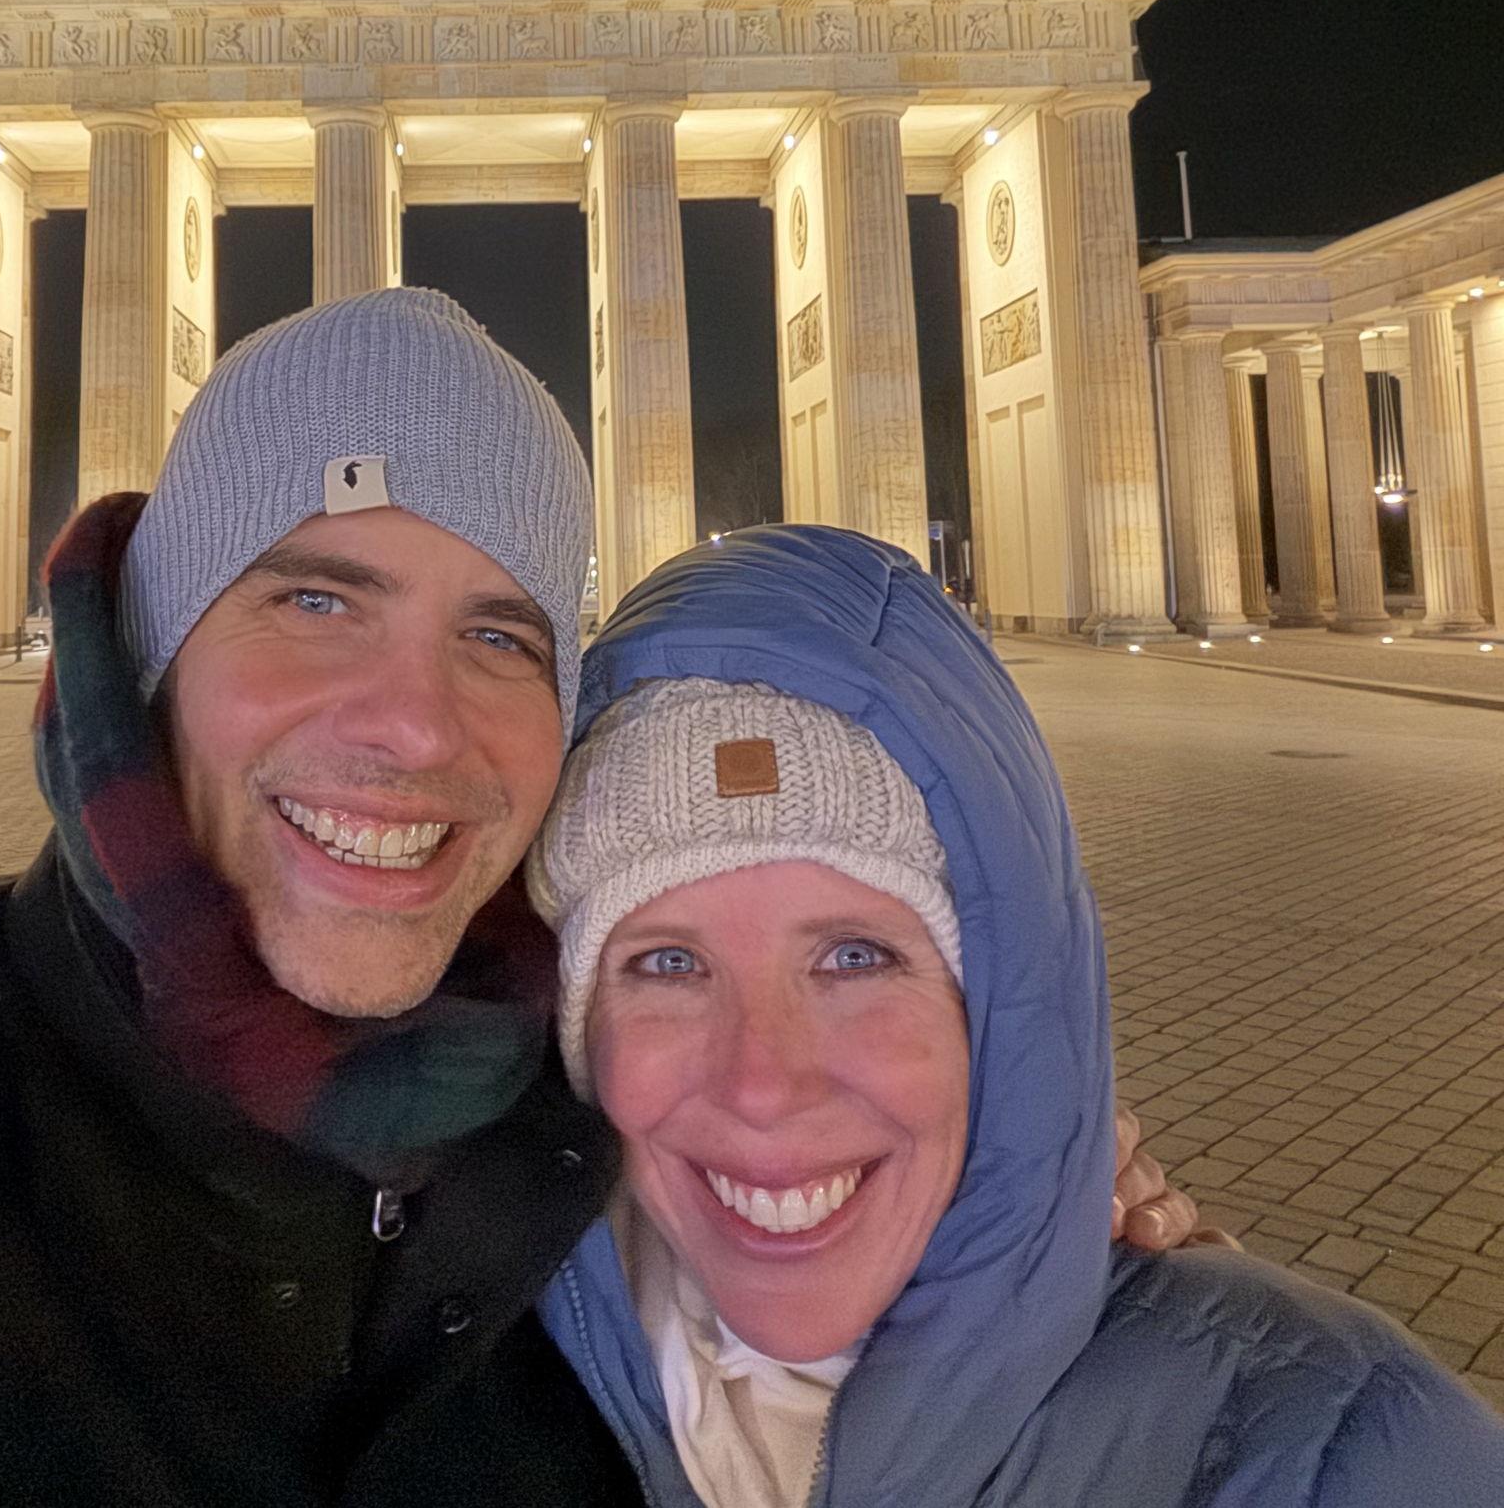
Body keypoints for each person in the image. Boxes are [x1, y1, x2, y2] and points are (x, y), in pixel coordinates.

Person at [0, 290, 1195, 1506]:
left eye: (502, 634)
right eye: (311, 600)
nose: (413, 724)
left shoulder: (638, 1178)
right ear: (143, 654)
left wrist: (1025, 1209)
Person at [532, 523, 1504, 1506]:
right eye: (663, 962)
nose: (761, 1084)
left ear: (1002, 1002)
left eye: (856, 956)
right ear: (571, 1021)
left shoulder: (1339, 1454)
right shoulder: (454, 1371)